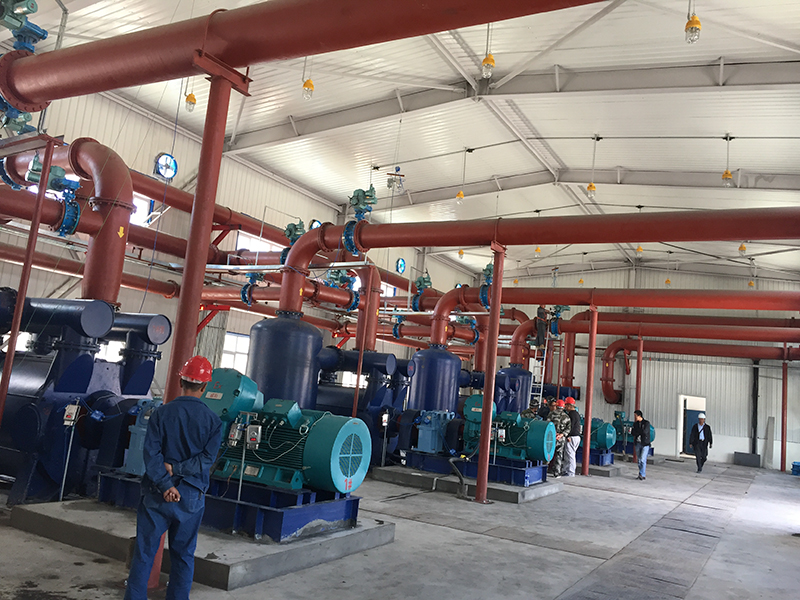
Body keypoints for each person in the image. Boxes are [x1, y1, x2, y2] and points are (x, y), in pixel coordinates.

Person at [125, 356, 223, 600]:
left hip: (157, 494)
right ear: (204, 386)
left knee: (144, 554)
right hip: (191, 496)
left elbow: (150, 454)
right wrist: (178, 470)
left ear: (181, 381)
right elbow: (207, 460)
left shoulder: (160, 414)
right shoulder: (213, 421)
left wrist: (166, 483)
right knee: (183, 556)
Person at [547, 399, 571, 479]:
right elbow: (568, 428)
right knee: (559, 455)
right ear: (563, 407)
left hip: (551, 437)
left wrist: (554, 433)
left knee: (548, 452)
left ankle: (544, 469)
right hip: (561, 439)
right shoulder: (566, 417)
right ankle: (556, 473)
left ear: (556, 406)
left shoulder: (551, 414)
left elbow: (547, 425)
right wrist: (561, 435)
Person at [563, 397, 582, 477]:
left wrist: (567, 435)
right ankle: (566, 470)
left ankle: (570, 472)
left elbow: (570, 426)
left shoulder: (571, 414)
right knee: (568, 454)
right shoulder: (576, 414)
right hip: (576, 437)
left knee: (570, 455)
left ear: (570, 406)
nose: (565, 407)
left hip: (572, 437)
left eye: (566, 405)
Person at [631, 410, 651, 481]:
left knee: (643, 459)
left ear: (639, 416)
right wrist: (639, 431)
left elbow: (645, 432)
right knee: (639, 460)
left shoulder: (646, 423)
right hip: (638, 443)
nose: (635, 417)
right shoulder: (635, 424)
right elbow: (633, 432)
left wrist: (638, 431)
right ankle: (641, 473)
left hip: (645, 444)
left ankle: (642, 474)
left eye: (636, 416)